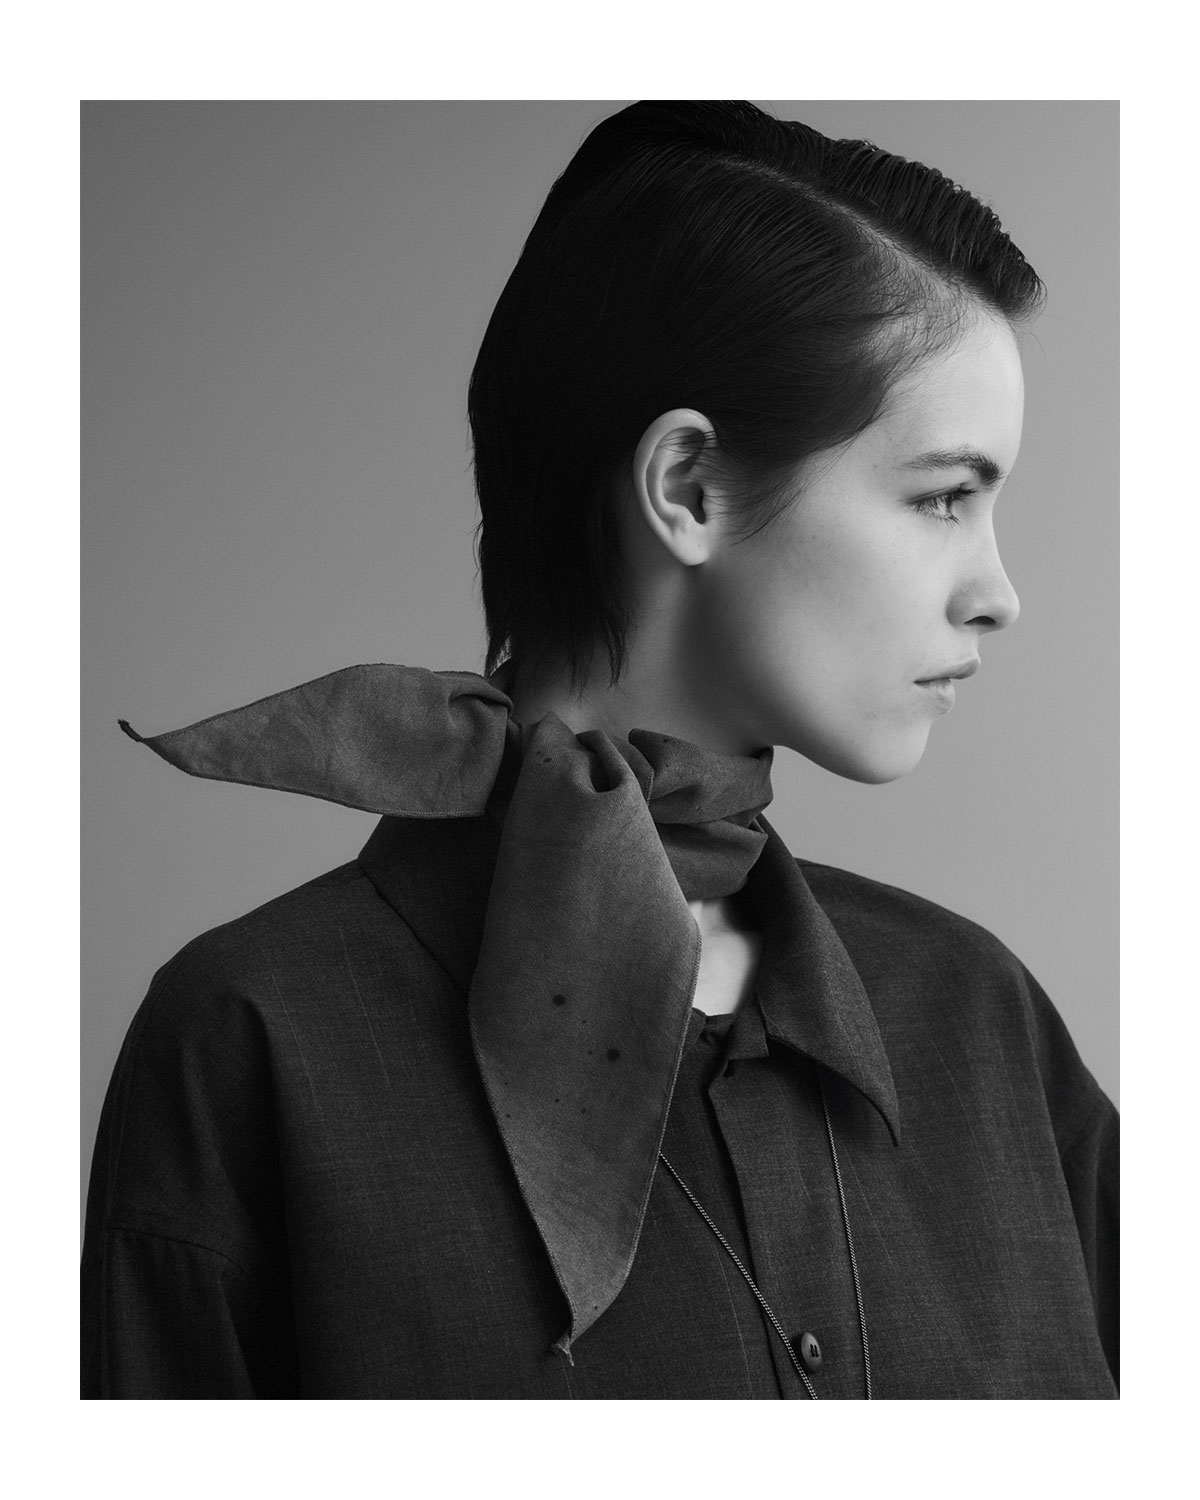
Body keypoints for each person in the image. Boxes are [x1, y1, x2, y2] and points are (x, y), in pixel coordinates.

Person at [81, 100, 1118, 1399]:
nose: (999, 594)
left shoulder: (983, 1021)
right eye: (942, 497)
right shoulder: (255, 1045)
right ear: (688, 487)